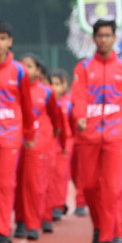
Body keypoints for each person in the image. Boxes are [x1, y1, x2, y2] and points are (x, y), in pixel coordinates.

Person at [71, 19, 122, 243]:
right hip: (88, 136)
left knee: (111, 188)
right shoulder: (84, 68)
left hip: (115, 137)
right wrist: (79, 116)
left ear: (114, 38)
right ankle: (99, 226)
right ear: (94, 38)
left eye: (108, 35)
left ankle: (107, 237)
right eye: (100, 36)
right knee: (88, 186)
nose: (104, 40)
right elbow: (77, 96)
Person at [0, 20, 35, 243]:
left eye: (3, 38)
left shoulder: (19, 71)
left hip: (11, 135)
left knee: (5, 184)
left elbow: (26, 103)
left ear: (10, 41)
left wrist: (29, 133)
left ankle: (3, 232)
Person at [15, 54, 67, 238]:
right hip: (14, 141)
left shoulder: (46, 92)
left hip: (38, 143)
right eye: (22, 65)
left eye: (29, 66)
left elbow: (56, 117)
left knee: (33, 185)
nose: (25, 69)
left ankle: (32, 223)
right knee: (16, 184)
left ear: (37, 70)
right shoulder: (12, 90)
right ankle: (19, 220)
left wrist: (56, 136)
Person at [46, 69, 74, 222]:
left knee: (61, 175)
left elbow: (73, 123)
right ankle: (49, 205)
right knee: (49, 174)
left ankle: (58, 204)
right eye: (52, 84)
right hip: (49, 141)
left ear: (65, 85)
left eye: (58, 84)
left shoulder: (69, 103)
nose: (54, 87)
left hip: (65, 142)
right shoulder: (47, 100)